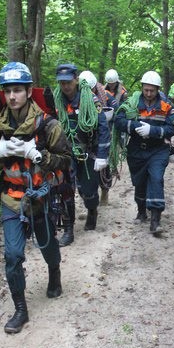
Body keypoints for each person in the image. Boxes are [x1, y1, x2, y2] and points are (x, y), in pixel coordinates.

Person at [0, 62, 72, 334]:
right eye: (8, 91)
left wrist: (40, 157)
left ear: (28, 92)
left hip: (40, 199)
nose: (12, 96)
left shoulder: (47, 125)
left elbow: (67, 161)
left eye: (18, 90)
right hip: (11, 199)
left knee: (47, 247)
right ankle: (20, 309)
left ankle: (54, 273)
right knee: (12, 255)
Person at [114, 70, 174, 234]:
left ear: (158, 90)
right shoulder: (131, 103)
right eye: (146, 90)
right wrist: (135, 127)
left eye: (152, 90)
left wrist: (154, 131)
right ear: (142, 88)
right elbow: (119, 120)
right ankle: (141, 211)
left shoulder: (166, 106)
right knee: (139, 182)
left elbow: (173, 127)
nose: (149, 93)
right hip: (136, 150)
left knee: (156, 179)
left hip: (158, 150)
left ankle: (156, 220)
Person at [54, 64, 110, 238]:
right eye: (62, 83)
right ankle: (68, 227)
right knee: (65, 188)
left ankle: (92, 209)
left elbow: (103, 127)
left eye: (68, 82)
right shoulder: (55, 101)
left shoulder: (90, 100)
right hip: (65, 153)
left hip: (88, 152)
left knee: (88, 189)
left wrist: (102, 156)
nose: (65, 86)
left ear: (76, 80)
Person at [79, 70, 120, 206]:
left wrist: (110, 117)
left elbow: (117, 109)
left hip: (102, 134)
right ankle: (88, 193)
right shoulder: (76, 98)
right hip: (84, 137)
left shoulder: (105, 95)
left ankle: (105, 190)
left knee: (104, 165)